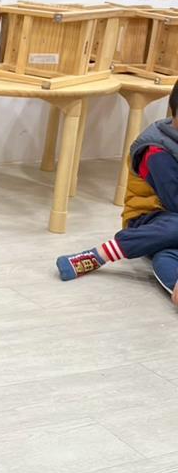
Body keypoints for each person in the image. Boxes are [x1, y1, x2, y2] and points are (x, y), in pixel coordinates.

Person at [56, 82, 178, 306]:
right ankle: (102, 253)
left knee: (167, 255)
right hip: (149, 220)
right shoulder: (156, 151)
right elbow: (174, 202)